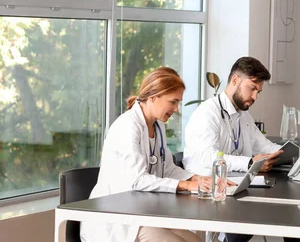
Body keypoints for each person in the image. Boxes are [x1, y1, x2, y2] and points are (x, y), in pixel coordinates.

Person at [183, 57, 300, 242]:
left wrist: (296, 153)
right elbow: (207, 157)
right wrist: (250, 162)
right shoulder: (207, 113)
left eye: (259, 91)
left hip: (236, 188)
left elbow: (264, 145)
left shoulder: (243, 116)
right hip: (210, 192)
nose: (255, 96)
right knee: (270, 215)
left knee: (290, 214)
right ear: (235, 81)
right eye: (253, 88)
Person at [80, 67, 206, 242]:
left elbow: (168, 169)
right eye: (173, 101)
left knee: (196, 240)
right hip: (116, 218)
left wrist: (199, 179)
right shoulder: (127, 127)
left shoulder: (158, 126)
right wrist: (185, 186)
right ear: (153, 97)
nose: (176, 109)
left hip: (142, 212)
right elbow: (137, 180)